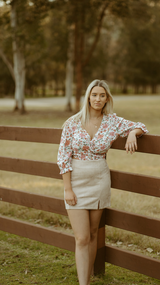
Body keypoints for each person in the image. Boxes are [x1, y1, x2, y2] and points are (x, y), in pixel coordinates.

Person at [57, 79, 148, 285]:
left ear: (107, 99)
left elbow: (141, 126)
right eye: (94, 95)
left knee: (92, 233)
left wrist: (133, 133)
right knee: (81, 237)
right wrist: (68, 189)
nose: (98, 99)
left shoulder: (112, 121)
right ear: (88, 97)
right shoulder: (72, 123)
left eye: (102, 95)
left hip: (99, 180)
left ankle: (86, 280)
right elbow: (63, 157)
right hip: (76, 181)